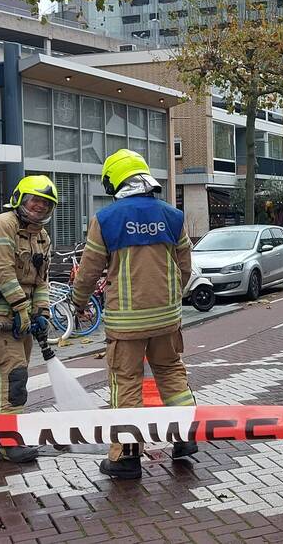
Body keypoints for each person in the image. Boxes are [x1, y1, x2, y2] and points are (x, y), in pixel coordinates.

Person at [72, 149, 196, 480]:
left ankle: (126, 457)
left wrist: (79, 302)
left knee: (126, 383)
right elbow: (185, 268)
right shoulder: (174, 216)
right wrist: (171, 299)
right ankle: (185, 437)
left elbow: (88, 270)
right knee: (171, 374)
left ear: (115, 181)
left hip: (126, 323)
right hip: (167, 318)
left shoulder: (107, 219)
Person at [0, 175, 56, 463]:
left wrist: (41, 312)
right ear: (20, 199)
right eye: (35, 201)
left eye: (46, 204)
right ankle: (7, 442)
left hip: (21, 316)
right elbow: (1, 271)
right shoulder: (1, 225)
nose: (40, 207)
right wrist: (22, 309)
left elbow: (41, 282)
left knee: (4, 379)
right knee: (13, 375)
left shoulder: (41, 237)